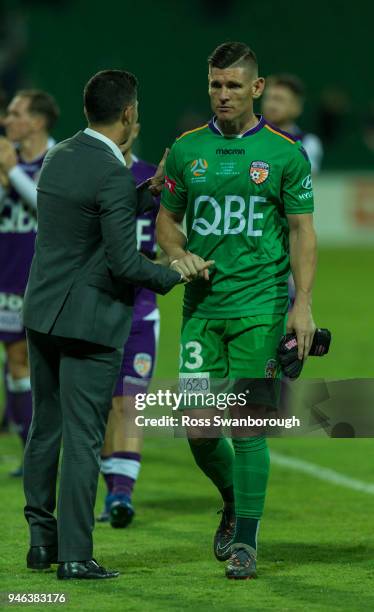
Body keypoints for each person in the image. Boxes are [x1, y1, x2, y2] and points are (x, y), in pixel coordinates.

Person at [22, 70, 205, 581]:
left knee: (46, 430)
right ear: (129, 114)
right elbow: (125, 263)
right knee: (83, 438)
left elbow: (90, 216)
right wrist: (175, 273)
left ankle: (41, 543)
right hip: (89, 322)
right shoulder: (110, 172)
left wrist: (151, 189)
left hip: (42, 314)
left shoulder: (60, 155)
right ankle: (75, 555)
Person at [157, 42, 317, 580]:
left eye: (232, 86)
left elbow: (302, 230)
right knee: (198, 427)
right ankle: (232, 499)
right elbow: (166, 220)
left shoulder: (284, 154)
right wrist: (179, 254)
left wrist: (304, 307)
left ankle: (247, 542)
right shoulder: (185, 149)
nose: (221, 95)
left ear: (256, 88)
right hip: (202, 310)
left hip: (261, 307)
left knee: (248, 427)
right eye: (214, 85)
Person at [98, 123, 163, 527]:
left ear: (136, 127)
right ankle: (110, 491)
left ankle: (122, 495)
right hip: (95, 313)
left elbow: (170, 236)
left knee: (129, 404)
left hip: (140, 313)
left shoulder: (153, 178)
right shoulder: (90, 175)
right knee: (102, 409)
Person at [0, 90, 59, 475]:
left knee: (36, 363)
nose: (7, 120)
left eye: (15, 113)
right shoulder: (8, 163)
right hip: (6, 273)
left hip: (43, 278)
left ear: (37, 122)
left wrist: (12, 172)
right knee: (14, 360)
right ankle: (31, 453)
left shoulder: (58, 158)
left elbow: (46, 204)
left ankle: (43, 451)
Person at [261, 73, 323, 173]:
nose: (271, 105)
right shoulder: (246, 138)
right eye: (268, 98)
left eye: (279, 99)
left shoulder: (308, 143)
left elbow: (302, 182)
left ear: (297, 107)